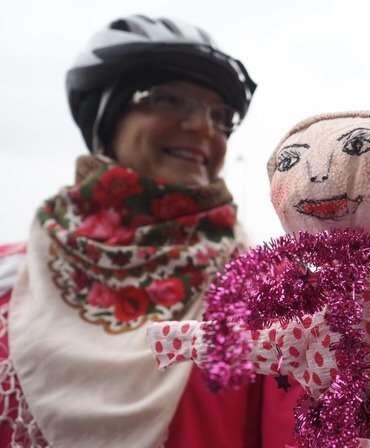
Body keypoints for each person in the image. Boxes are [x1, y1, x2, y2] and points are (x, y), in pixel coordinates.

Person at [0, 14, 265, 447]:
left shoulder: (268, 295)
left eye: (220, 115)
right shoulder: (8, 281)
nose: (204, 128)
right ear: (107, 118)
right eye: (169, 100)